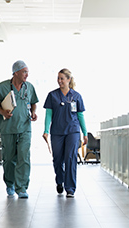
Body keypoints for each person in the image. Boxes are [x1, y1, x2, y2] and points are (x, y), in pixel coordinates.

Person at [0, 60, 38, 199]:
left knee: (24, 157)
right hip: (8, 128)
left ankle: (22, 188)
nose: (27, 75)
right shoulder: (2, 87)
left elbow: (33, 103)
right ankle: (10, 184)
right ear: (16, 72)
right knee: (9, 159)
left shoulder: (29, 87)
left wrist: (33, 113)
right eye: (24, 72)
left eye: (27, 72)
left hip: (25, 127)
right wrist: (3, 113)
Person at [42, 68, 88, 198]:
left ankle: (70, 188)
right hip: (57, 131)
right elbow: (48, 115)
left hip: (72, 131)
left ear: (69, 80)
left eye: (62, 78)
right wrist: (46, 131)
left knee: (70, 158)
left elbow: (80, 116)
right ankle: (60, 181)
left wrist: (84, 133)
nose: (59, 81)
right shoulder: (52, 95)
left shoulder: (77, 96)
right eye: (58, 78)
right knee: (57, 159)